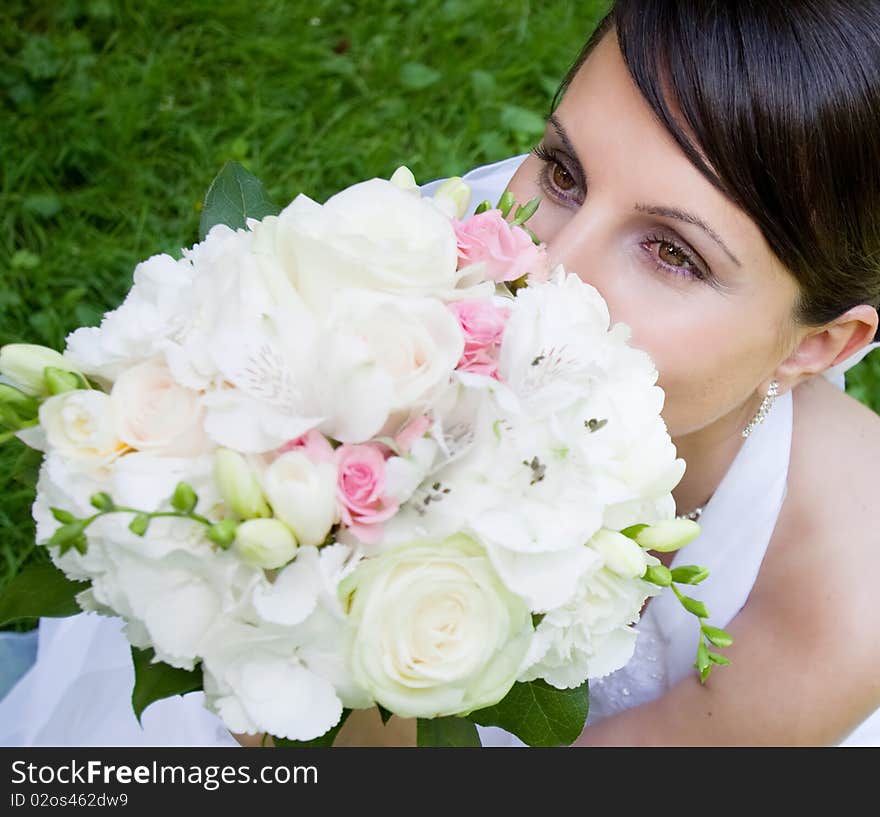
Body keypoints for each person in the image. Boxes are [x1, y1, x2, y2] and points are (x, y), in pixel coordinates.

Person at [2, 0, 880, 747]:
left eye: (674, 254)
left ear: (820, 345)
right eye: (565, 172)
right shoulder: (410, 301)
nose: (536, 271)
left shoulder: (847, 600)